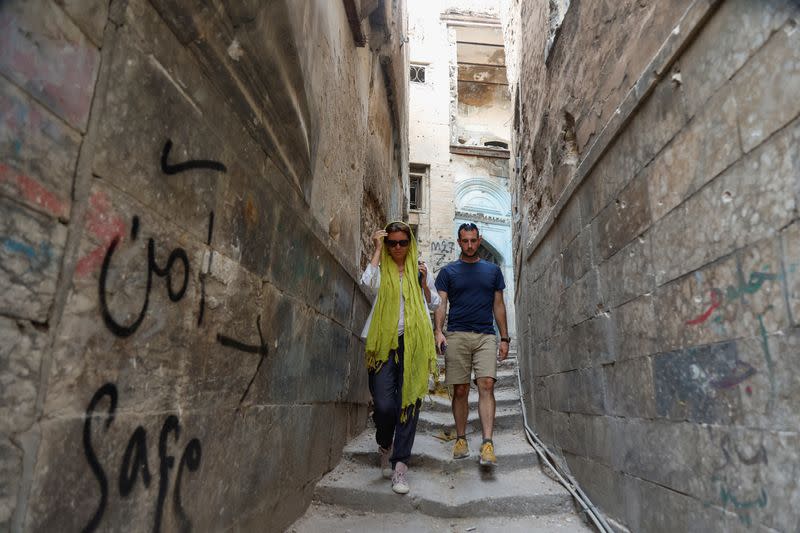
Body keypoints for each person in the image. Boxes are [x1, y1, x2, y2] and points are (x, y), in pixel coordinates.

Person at [361, 221, 439, 494]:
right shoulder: (381, 267)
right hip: (383, 344)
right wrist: (376, 249)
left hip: (414, 343)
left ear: (410, 244)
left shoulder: (419, 268)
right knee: (383, 405)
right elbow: (366, 282)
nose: (397, 247)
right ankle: (385, 444)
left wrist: (424, 283)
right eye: (392, 242)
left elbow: (435, 302)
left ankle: (400, 466)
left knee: (409, 404)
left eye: (402, 243)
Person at [433, 222, 509, 466]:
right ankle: (462, 438)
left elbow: (499, 305)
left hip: (486, 335)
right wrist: (438, 331)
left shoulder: (492, 271)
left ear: (479, 239)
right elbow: (441, 304)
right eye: (464, 241)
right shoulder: (448, 272)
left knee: (486, 384)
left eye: (473, 240)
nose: (469, 245)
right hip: (457, 334)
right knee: (461, 390)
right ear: (459, 242)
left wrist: (504, 338)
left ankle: (487, 443)